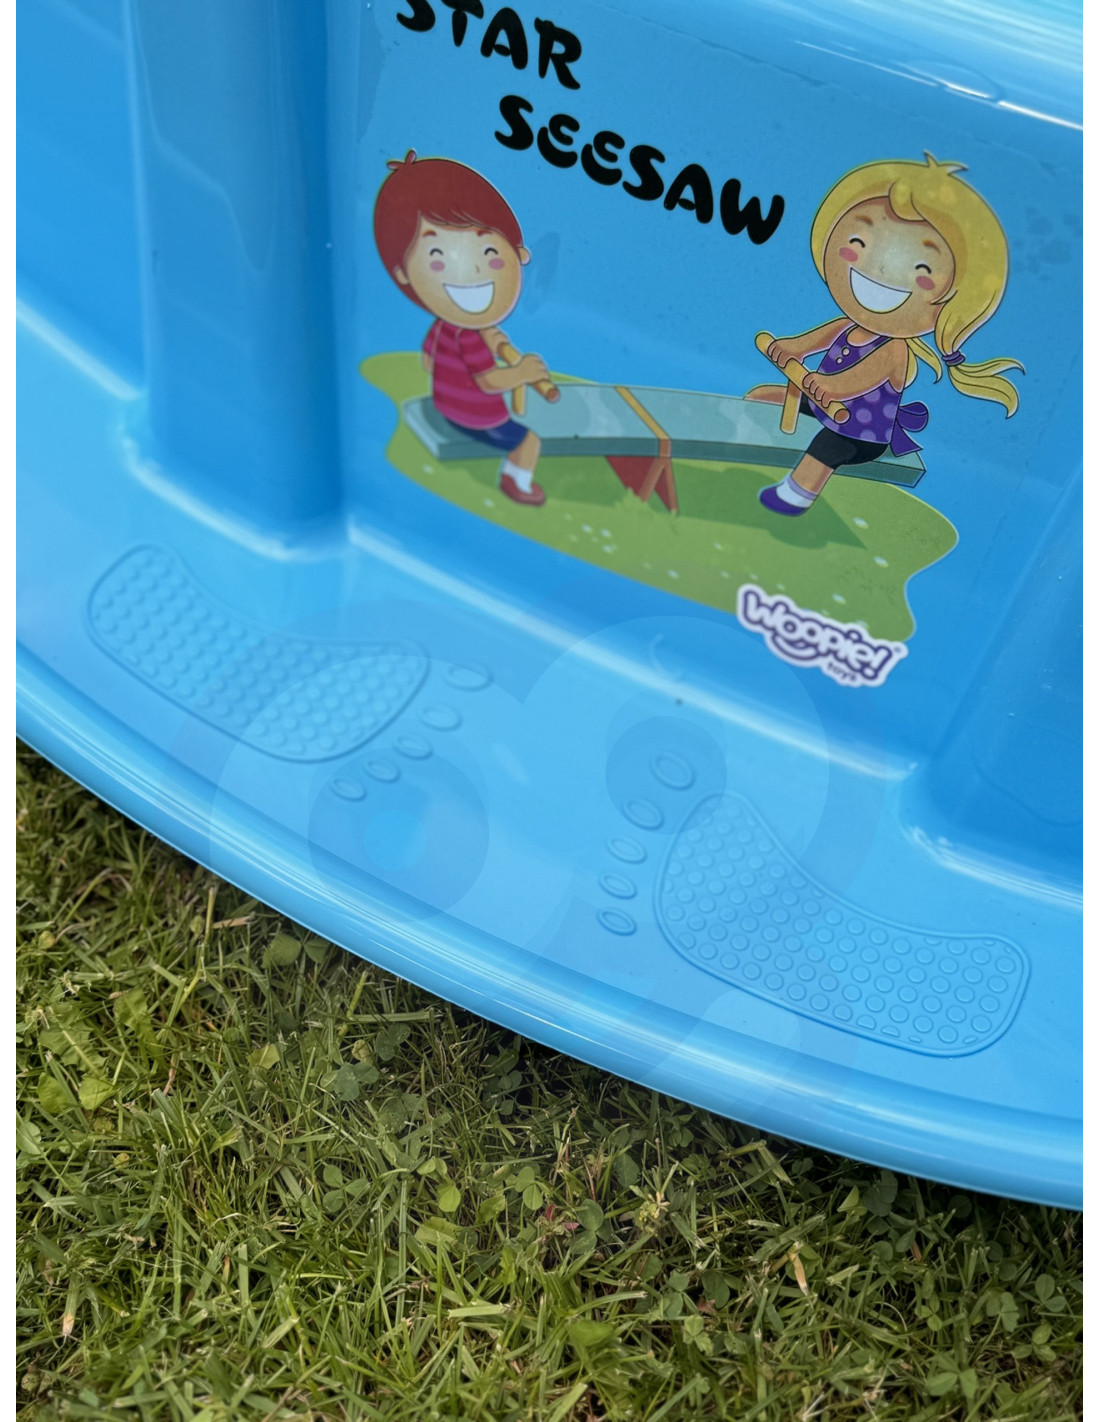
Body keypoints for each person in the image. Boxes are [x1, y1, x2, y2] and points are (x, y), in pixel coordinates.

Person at [747, 154, 1023, 516]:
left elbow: (858, 379)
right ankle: (745, 448)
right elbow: (811, 341)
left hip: (858, 432)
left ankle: (794, 496)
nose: (878, 271)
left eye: (921, 268)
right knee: (761, 396)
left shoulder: (894, 350)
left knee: (826, 447)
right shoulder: (847, 326)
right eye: (858, 242)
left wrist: (830, 386)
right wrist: (790, 348)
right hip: (823, 404)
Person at [373, 151, 550, 506]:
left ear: (519, 255)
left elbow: (428, 362)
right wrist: (521, 373)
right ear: (404, 273)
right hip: (475, 417)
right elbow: (488, 382)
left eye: (489, 254)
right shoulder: (469, 335)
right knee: (529, 441)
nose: (472, 272)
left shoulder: (444, 326)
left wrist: (491, 345)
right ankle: (516, 481)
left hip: (445, 404)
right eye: (437, 258)